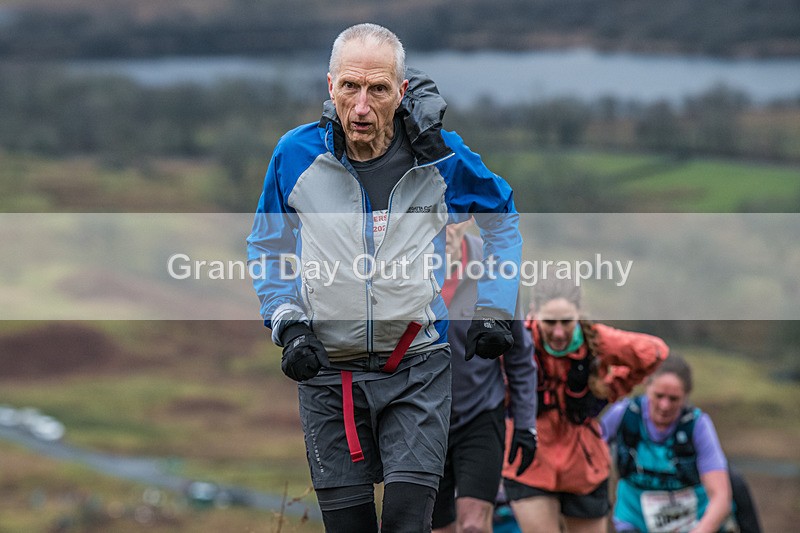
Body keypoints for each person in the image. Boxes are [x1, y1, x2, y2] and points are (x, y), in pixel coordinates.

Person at [246, 23, 523, 533]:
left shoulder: (442, 156)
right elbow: (267, 246)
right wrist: (289, 323)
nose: (361, 107)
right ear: (330, 87)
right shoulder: (295, 154)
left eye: (377, 89)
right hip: (328, 374)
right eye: (350, 87)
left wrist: (494, 307)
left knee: (405, 523)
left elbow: (502, 217)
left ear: (401, 91)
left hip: (416, 368)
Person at [501, 276, 668, 533]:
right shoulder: (516, 341)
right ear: (534, 311)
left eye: (567, 321)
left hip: (584, 465)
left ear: (579, 314)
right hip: (529, 460)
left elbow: (654, 352)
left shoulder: (596, 340)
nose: (558, 332)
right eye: (550, 322)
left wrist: (611, 389)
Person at [431, 219, 538, 533]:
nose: (445, 228)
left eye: (453, 219)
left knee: (474, 526)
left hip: (479, 412)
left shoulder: (495, 267)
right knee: (437, 528)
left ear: (467, 220)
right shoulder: (401, 265)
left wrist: (526, 424)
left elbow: (519, 354)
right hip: (421, 416)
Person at [601, 354, 735, 533]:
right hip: (633, 520)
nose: (665, 406)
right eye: (659, 396)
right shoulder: (622, 415)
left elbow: (720, 496)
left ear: (686, 396)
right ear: (647, 385)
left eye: (673, 399)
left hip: (692, 522)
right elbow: (588, 454)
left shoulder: (698, 425)